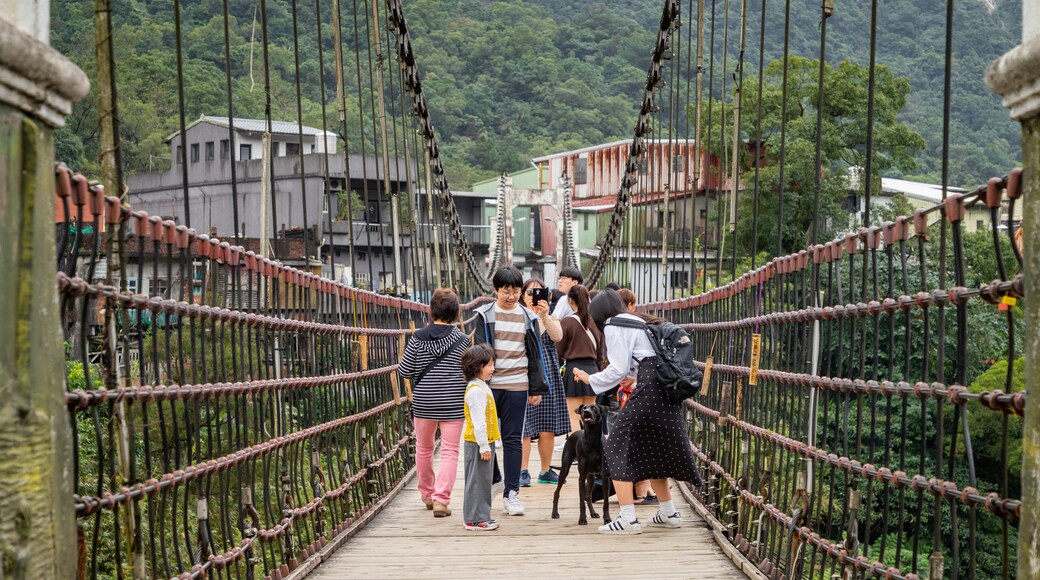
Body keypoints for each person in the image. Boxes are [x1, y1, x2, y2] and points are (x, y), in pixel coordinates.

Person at [574, 289, 703, 535]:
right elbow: (646, 361)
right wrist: (632, 380)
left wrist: (591, 379)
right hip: (664, 389)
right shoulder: (638, 320)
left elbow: (618, 367)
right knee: (652, 447)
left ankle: (628, 519)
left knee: (614, 447)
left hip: (649, 391)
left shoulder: (613, 325)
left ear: (599, 314)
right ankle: (668, 512)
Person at [472, 266, 550, 516]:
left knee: (513, 439)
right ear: (495, 290)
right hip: (490, 387)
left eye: (516, 291)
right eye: (506, 291)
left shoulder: (529, 317)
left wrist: (536, 387)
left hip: (518, 385)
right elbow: (479, 353)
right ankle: (495, 480)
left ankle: (511, 493)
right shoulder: (484, 315)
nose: (511, 296)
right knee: (484, 437)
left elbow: (535, 353)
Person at [398, 288, 469, 517]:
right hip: (453, 403)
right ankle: (441, 499)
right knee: (449, 451)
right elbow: (468, 373)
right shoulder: (463, 340)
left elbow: (405, 370)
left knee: (424, 448)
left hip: (424, 402)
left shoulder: (417, 337)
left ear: (431, 311)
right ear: (456, 312)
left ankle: (427, 494)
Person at [518, 278, 569, 486]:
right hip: (524, 371)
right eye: (530, 293)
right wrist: (532, 316)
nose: (534, 297)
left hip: (548, 374)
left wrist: (544, 315)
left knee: (547, 425)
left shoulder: (552, 317)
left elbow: (557, 336)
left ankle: (546, 470)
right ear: (522, 296)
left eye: (539, 293)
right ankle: (522, 471)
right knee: (524, 427)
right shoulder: (518, 317)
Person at [615, 288, 658, 505]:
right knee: (643, 443)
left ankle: (644, 491)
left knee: (635, 442)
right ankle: (642, 493)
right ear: (630, 305)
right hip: (642, 393)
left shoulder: (618, 327)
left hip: (631, 392)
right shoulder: (640, 326)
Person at [461, 344, 500, 531]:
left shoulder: (481, 386)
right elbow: (479, 421)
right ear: (477, 366)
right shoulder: (476, 391)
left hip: (485, 442)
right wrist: (484, 446)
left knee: (483, 480)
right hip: (478, 443)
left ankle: (482, 515)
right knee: (476, 480)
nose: (493, 369)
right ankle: (473, 519)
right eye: (489, 365)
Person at [555, 284, 603, 434]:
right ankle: (592, 450)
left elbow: (558, 351)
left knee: (574, 416)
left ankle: (576, 453)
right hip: (593, 371)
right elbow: (601, 352)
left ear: (570, 300)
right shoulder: (595, 322)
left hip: (573, 370)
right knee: (591, 415)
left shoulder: (566, 322)